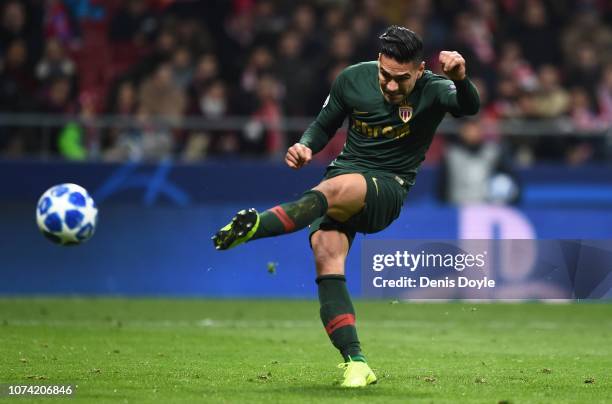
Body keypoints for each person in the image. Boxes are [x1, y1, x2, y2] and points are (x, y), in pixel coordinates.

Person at [212, 25, 480, 387]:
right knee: (326, 252)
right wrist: (306, 145)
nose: (389, 85)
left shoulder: (434, 88)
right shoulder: (352, 79)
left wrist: (461, 78)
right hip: (344, 174)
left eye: (400, 79)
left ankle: (257, 226)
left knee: (336, 188)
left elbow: (469, 106)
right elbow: (323, 125)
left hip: (388, 186)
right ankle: (356, 363)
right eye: (384, 74)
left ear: (419, 70)